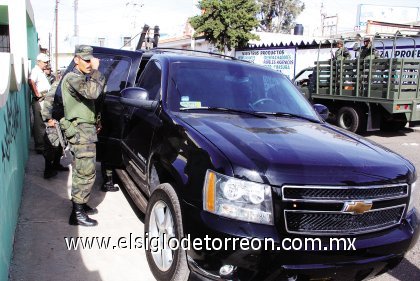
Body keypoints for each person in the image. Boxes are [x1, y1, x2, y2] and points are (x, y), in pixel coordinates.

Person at [61, 45, 105, 227]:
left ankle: (81, 204)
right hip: (80, 132)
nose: (89, 63)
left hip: (86, 130)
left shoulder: (80, 77)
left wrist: (96, 120)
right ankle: (77, 214)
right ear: (76, 59)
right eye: (85, 60)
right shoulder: (72, 77)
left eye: (91, 59)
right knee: (85, 172)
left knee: (85, 170)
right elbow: (93, 92)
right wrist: (96, 70)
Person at [41, 81, 70, 179]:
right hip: (54, 120)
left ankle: (56, 165)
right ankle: (48, 171)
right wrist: (48, 119)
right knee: (51, 144)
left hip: (62, 119)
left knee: (61, 143)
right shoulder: (59, 84)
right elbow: (48, 100)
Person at [29, 53, 51, 154]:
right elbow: (31, 81)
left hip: (44, 99)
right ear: (38, 62)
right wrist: (37, 93)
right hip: (40, 99)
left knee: (43, 123)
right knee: (39, 124)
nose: (46, 64)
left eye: (47, 62)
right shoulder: (35, 70)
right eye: (44, 62)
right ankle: (40, 146)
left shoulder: (41, 71)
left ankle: (42, 145)